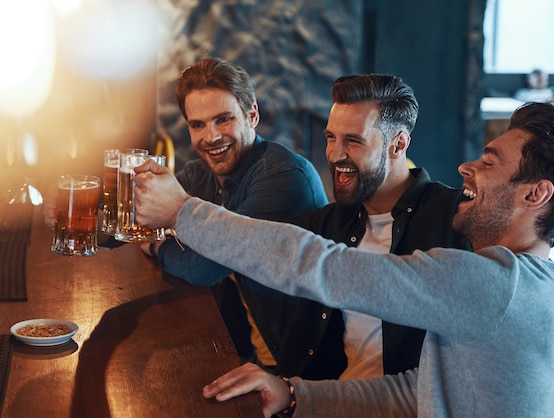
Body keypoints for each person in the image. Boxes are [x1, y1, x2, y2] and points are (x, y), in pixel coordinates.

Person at [132, 101, 554, 417]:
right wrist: (296, 394)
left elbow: (317, 265)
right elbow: (421, 393)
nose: (466, 166)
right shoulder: (528, 284)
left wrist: (182, 211)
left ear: (535, 194)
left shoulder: (495, 284)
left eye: (489, 162)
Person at [273, 74, 471, 381]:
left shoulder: (456, 220)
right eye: (330, 137)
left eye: (353, 140)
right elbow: (263, 245)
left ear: (398, 144)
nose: (336, 155)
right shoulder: (329, 223)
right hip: (324, 403)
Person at [140, 57, 329, 369]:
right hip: (248, 350)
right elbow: (130, 217)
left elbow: (201, 268)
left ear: (251, 114)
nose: (211, 137)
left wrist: (155, 244)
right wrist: (78, 208)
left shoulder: (283, 176)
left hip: (301, 366)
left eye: (223, 119)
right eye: (197, 125)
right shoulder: (200, 174)